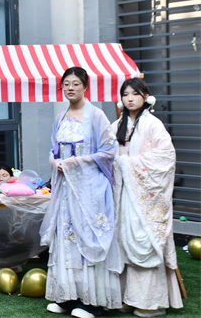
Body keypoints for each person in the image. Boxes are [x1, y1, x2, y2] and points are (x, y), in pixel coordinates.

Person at [39, 67, 122, 318]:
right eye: (66, 84)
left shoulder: (96, 115)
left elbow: (109, 151)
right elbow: (54, 150)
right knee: (67, 239)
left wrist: (75, 163)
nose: (70, 88)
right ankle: (68, 297)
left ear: (85, 87)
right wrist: (55, 163)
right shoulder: (59, 117)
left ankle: (92, 302)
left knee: (88, 237)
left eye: (76, 83)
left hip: (90, 190)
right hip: (65, 191)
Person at [110, 78, 183, 317]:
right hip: (122, 194)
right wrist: (117, 164)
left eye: (135, 94)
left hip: (145, 196)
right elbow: (106, 154)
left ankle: (149, 302)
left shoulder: (153, 124)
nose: (129, 98)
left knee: (144, 241)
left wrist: (127, 164)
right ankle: (126, 297)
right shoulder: (116, 125)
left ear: (145, 97)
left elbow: (166, 157)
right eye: (125, 94)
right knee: (123, 241)